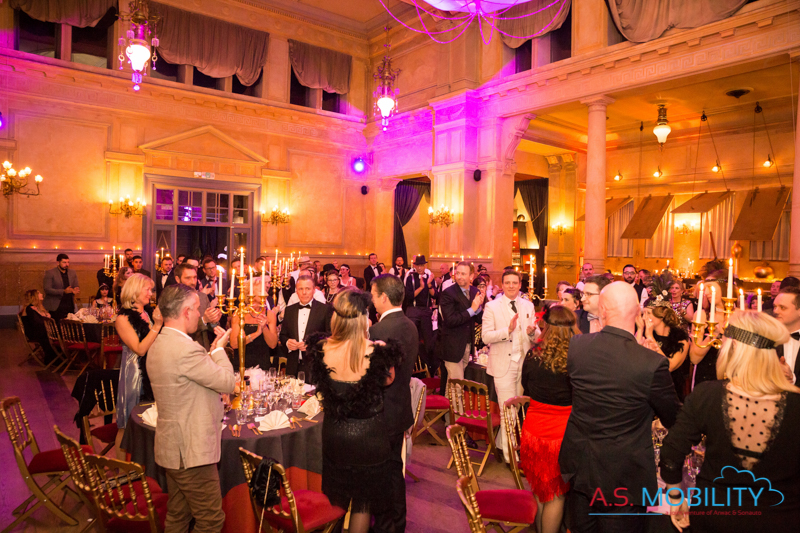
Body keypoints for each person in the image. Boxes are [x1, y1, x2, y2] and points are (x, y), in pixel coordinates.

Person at [661, 311, 800, 533]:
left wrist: (677, 500)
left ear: (734, 346)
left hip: (715, 515)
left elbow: (670, 455)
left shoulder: (707, 395)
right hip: (780, 517)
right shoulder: (795, 403)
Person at [559, 282, 680, 532]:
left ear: (603, 311)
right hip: (625, 477)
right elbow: (673, 418)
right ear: (638, 314)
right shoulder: (650, 363)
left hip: (582, 468)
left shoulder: (577, 346)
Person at [307, 287, 401, 533]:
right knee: (362, 504)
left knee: (336, 497)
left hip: (335, 435)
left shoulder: (322, 347)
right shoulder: (377, 351)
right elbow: (388, 380)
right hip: (369, 439)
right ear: (363, 319)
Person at [147, 284, 235, 533]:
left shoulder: (160, 342)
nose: (199, 313)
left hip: (173, 448)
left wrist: (211, 353)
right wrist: (219, 350)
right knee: (210, 521)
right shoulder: (186, 349)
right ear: (186, 312)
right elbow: (228, 382)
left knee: (178, 515)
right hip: (191, 451)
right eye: (197, 308)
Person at [520, 305, 577, 533]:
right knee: (556, 495)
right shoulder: (576, 359)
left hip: (533, 430)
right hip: (561, 435)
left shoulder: (533, 354)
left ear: (546, 326)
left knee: (540, 490)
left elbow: (526, 386)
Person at [369, 274, 419, 533]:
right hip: (400, 407)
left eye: (373, 295)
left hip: (381, 411)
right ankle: (397, 523)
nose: (372, 300)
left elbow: (378, 377)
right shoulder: (410, 325)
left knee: (381, 472)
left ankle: (384, 526)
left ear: (384, 297)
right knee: (394, 469)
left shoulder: (379, 331)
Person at [482, 269, 537, 461]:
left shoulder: (528, 305)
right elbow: (485, 336)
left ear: (520, 285)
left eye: (515, 283)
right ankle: (510, 457)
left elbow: (536, 336)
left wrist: (532, 333)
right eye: (507, 283)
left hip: (523, 365)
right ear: (503, 285)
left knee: (515, 410)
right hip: (503, 364)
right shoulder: (492, 307)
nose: (511, 286)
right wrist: (508, 330)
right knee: (507, 411)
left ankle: (501, 444)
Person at [114, 274, 162, 459]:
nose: (151, 293)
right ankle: (122, 469)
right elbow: (140, 349)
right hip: (135, 373)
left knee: (150, 420)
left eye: (151, 289)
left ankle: (144, 466)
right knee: (127, 424)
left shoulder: (147, 313)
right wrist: (157, 325)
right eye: (147, 289)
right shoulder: (123, 318)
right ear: (134, 291)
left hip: (152, 370)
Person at [636, 295, 691, 402]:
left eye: (648, 313)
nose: (644, 318)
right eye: (644, 313)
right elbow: (633, 357)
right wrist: (640, 330)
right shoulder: (644, 334)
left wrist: (650, 337)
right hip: (646, 390)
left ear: (662, 316)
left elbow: (669, 366)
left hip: (669, 392)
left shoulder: (681, 340)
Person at [439, 262, 484, 383]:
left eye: (463, 274)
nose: (459, 276)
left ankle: (449, 396)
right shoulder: (448, 293)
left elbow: (479, 319)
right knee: (457, 384)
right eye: (458, 273)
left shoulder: (475, 291)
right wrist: (472, 309)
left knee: (453, 384)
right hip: (452, 346)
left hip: (467, 345)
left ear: (471, 276)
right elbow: (450, 320)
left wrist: (478, 308)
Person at [279, 275, 331, 379]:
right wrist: (287, 342)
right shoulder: (289, 310)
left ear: (314, 290)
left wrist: (311, 344)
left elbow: (330, 337)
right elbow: (283, 335)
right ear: (296, 291)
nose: (304, 292)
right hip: (293, 366)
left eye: (307, 289)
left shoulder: (325, 310)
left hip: (314, 366)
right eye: (300, 289)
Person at [690, 274, 729, 388]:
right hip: (707, 376)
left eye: (710, 287)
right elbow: (694, 358)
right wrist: (713, 335)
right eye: (705, 289)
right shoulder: (702, 315)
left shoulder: (738, 315)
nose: (706, 293)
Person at [175, 263, 221, 350]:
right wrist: (204, 320)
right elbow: (180, 329)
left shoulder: (202, 297)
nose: (193, 282)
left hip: (204, 348)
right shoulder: (174, 299)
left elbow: (211, 328)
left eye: (195, 277)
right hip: (184, 348)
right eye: (188, 278)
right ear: (177, 279)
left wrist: (214, 321)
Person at [230, 293, 278, 371]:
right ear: (250, 294)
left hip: (262, 365)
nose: (266, 294)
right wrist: (256, 334)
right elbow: (234, 344)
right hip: (241, 365)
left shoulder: (270, 314)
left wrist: (264, 327)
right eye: (260, 291)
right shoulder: (239, 313)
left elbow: (273, 345)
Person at [404, 255, 436, 371]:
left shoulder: (429, 278)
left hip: (426, 310)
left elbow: (435, 295)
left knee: (428, 340)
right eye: (418, 265)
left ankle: (429, 367)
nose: (420, 268)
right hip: (413, 309)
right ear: (414, 266)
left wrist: (429, 284)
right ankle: (410, 366)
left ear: (425, 266)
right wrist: (421, 287)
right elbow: (409, 296)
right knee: (411, 337)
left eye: (422, 265)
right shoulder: (410, 278)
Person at [20, 289, 57, 364]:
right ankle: (54, 357)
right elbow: (36, 323)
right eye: (39, 293)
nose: (41, 294)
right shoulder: (29, 308)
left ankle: (59, 355)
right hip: (35, 333)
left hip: (40, 330)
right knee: (55, 334)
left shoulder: (37, 307)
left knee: (58, 332)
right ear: (34, 296)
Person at [772, 286, 800, 385]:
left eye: (782, 307)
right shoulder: (768, 338)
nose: (775, 311)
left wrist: (793, 378)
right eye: (775, 307)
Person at [43, 253, 80, 321]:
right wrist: (63, 291)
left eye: (68, 262)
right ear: (58, 263)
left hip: (69, 305)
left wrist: (75, 289)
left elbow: (76, 285)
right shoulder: (50, 273)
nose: (67, 264)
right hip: (55, 306)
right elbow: (47, 289)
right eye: (64, 262)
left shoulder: (72, 272)